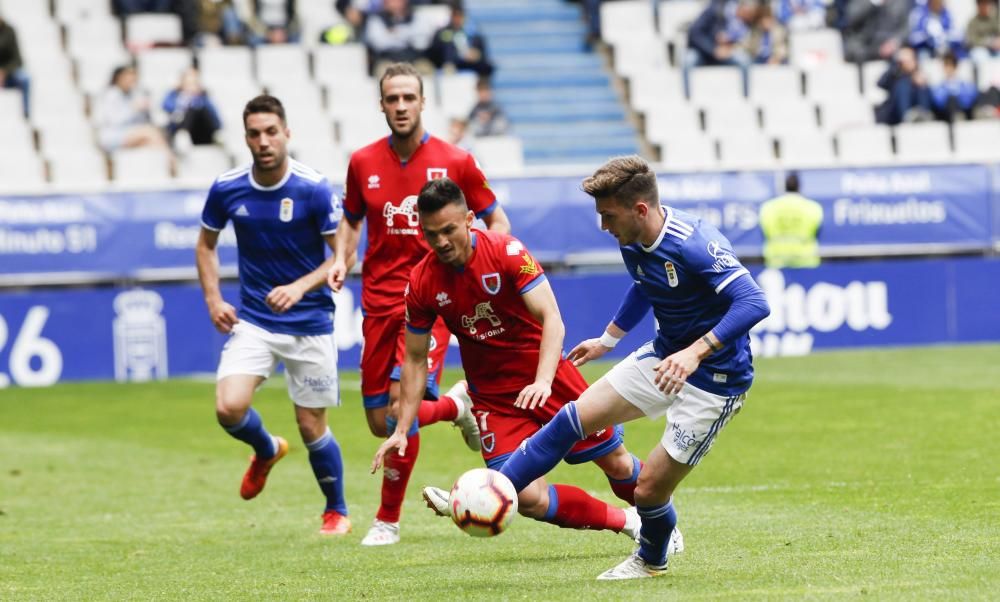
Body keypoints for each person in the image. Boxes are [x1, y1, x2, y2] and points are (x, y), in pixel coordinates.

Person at [485, 155, 770, 579]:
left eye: (608, 215)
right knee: (573, 418)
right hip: (663, 357)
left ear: (640, 209)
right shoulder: (631, 238)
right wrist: (609, 339)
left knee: (649, 490)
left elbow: (754, 301)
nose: (603, 226)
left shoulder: (694, 243)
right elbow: (643, 285)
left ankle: (651, 560)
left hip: (714, 380)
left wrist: (696, 352)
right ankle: (492, 493)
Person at [372, 178, 682, 553]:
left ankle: (660, 521)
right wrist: (403, 428)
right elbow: (416, 358)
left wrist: (543, 381)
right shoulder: (421, 281)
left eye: (449, 230)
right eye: (431, 234)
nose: (440, 242)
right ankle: (630, 522)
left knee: (615, 463)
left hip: (548, 378)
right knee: (526, 496)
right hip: (494, 398)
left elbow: (552, 317)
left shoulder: (507, 251)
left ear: (471, 220)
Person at [326, 62, 512, 546]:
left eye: (410, 97)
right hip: (378, 303)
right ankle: (457, 405)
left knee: (397, 409)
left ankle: (387, 520)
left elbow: (497, 221)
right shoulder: (362, 162)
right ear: (382, 104)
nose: (402, 106)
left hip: (434, 301)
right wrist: (342, 258)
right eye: (393, 99)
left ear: (423, 102)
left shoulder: (456, 161)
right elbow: (349, 219)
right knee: (376, 421)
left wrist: (489, 272)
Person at [195, 94, 352, 536]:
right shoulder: (228, 187)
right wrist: (213, 299)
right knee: (229, 407)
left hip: (310, 323)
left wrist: (301, 286)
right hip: (256, 320)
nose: (263, 141)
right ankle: (266, 449)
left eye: (271, 132)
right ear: (245, 138)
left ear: (287, 134)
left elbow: (342, 255)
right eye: (254, 133)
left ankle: (336, 509)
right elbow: (205, 245)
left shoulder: (313, 187)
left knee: (311, 425)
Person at [94, 65, 169, 153]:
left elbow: (142, 121)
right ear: (119, 78)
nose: (132, 81)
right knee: (150, 132)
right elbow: (113, 121)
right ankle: (172, 162)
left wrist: (146, 110)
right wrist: (133, 109)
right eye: (128, 78)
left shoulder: (134, 94)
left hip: (130, 133)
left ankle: (164, 163)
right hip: (112, 135)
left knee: (153, 141)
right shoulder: (110, 95)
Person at [759, 172, 823, 269]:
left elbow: (765, 232)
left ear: (785, 186)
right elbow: (817, 231)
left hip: (776, 261)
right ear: (799, 187)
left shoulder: (768, 207)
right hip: (805, 261)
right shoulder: (813, 207)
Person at [426, 0, 494, 77]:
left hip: (469, 64)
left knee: (487, 66)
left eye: (460, 16)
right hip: (450, 65)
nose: (457, 19)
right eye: (455, 15)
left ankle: (482, 87)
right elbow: (434, 53)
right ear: (451, 16)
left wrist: (477, 55)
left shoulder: (474, 34)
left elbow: (483, 54)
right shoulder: (442, 33)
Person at [162, 67, 222, 149]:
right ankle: (183, 134)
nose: (191, 87)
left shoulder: (204, 97)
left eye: (194, 83)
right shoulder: (174, 95)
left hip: (202, 132)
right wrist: (185, 102)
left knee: (197, 108)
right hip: (180, 127)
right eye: (188, 83)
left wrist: (200, 98)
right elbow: (166, 106)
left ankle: (218, 139)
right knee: (191, 110)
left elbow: (216, 119)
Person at [874, 46, 933, 125]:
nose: (908, 62)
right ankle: (906, 116)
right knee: (903, 84)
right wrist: (896, 64)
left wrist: (920, 80)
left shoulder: (919, 75)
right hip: (895, 111)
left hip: (916, 108)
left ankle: (924, 115)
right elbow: (880, 83)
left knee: (922, 87)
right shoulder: (895, 72)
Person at [930, 53, 978, 123]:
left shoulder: (964, 85)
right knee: (950, 100)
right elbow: (938, 102)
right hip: (945, 115)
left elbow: (968, 100)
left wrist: (958, 96)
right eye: (946, 66)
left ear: (955, 67)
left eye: (951, 66)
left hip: (963, 111)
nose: (949, 69)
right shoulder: (940, 87)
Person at [0, 14, 30, 117]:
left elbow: (18, 60)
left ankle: (26, 113)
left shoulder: (9, 31)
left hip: (9, 74)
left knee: (25, 79)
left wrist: (4, 72)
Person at [965, 0, 1000, 64]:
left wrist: (997, 40)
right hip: (981, 50)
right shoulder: (973, 22)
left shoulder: (995, 18)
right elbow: (971, 40)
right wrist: (988, 42)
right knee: (979, 55)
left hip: (996, 50)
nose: (984, 7)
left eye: (986, 4)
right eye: (982, 4)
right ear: (978, 6)